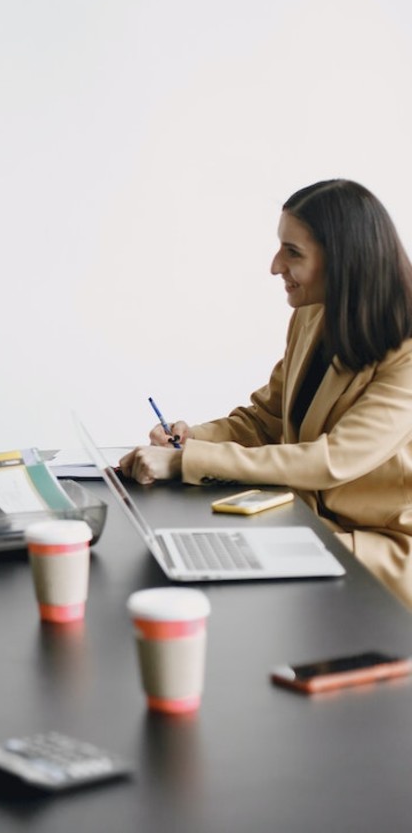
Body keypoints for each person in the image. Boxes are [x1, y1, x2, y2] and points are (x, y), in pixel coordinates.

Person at [119, 179, 412, 609]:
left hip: (381, 550)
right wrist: (192, 438)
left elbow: (331, 459)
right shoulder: (312, 315)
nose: (276, 266)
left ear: (343, 259)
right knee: (182, 563)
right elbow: (265, 419)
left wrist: (186, 462)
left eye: (292, 252)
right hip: (309, 526)